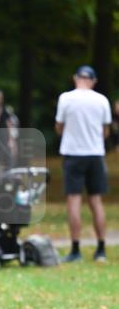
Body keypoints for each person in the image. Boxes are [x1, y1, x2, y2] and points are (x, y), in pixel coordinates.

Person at [55, 65, 112, 263]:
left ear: (75, 78)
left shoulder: (65, 98)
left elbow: (59, 127)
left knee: (74, 200)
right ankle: (101, 249)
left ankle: (75, 249)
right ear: (94, 81)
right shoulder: (102, 100)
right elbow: (106, 131)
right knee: (96, 201)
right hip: (96, 154)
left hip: (73, 154)